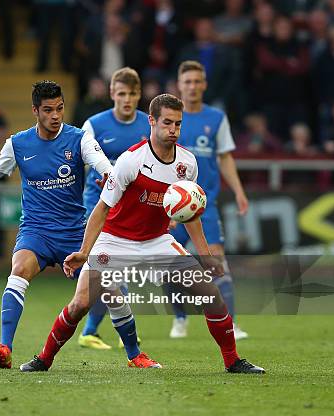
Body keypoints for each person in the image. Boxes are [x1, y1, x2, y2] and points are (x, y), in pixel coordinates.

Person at [19, 94, 265, 375]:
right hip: (114, 240)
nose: (173, 130)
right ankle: (44, 359)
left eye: (178, 124)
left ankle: (233, 361)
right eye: (167, 123)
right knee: (80, 303)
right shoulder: (131, 160)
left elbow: (190, 214)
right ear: (152, 121)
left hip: (157, 241)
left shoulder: (188, 163)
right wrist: (85, 252)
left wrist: (206, 257)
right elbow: (101, 210)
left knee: (210, 294)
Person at [0, 80, 113, 369]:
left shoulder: (78, 138)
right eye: (48, 110)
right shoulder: (18, 144)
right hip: (37, 231)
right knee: (18, 271)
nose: (55, 116)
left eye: (59, 109)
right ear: (35, 110)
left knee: (107, 288)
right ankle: (5, 347)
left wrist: (109, 175)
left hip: (74, 233)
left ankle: (134, 354)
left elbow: (102, 163)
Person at [166, 61, 249, 340]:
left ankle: (231, 324)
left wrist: (238, 190)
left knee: (217, 263)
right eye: (187, 81)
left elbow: (225, 157)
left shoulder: (216, 119)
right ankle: (180, 319)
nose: (192, 86)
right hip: (169, 207)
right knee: (168, 268)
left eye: (197, 81)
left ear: (204, 84)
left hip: (205, 206)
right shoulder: (169, 118)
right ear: (179, 84)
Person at [77, 67, 151, 350]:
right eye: (121, 93)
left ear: (139, 94)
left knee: (112, 270)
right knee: (109, 269)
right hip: (99, 206)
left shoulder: (149, 123)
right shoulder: (94, 124)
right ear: (112, 94)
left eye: (132, 94)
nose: (127, 99)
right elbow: (81, 163)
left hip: (131, 209)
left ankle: (94, 330)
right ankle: (104, 331)